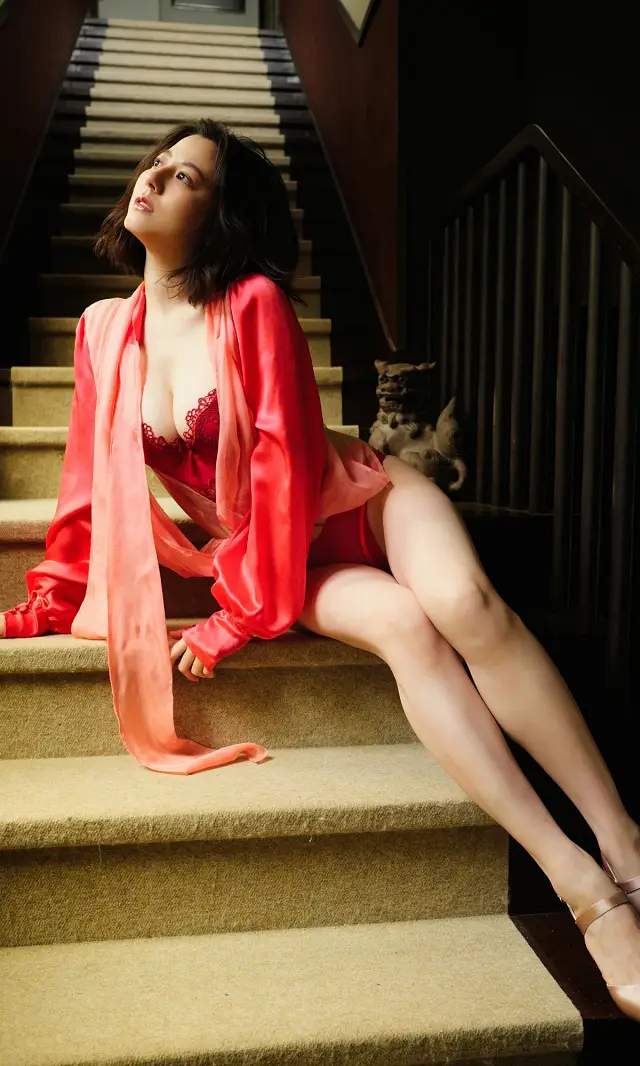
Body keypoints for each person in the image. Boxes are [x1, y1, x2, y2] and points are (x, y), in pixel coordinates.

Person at [2, 119, 639, 1020]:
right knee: (406, 627)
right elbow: (83, 481)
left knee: (461, 601)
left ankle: (624, 843)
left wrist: (236, 614)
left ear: (220, 214)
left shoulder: (253, 301)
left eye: (186, 177)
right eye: (157, 164)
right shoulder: (102, 328)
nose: (154, 178)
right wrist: (51, 596)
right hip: (279, 553)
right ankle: (581, 885)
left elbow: (283, 467)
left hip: (361, 499)